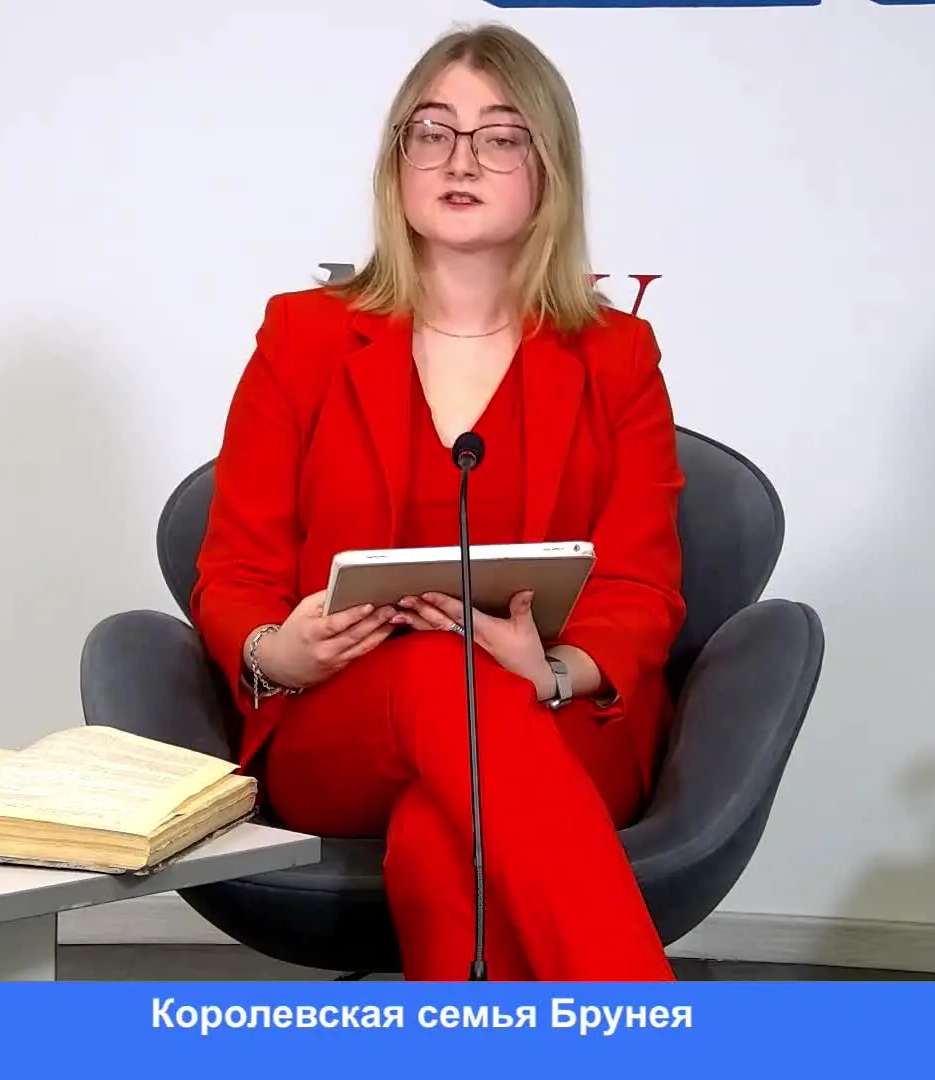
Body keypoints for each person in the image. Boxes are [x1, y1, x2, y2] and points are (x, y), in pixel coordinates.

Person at [191, 22, 685, 982]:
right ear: (398, 159)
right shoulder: (302, 337)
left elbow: (641, 584)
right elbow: (235, 568)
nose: (461, 160)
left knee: (438, 833)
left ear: (547, 168)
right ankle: (645, 1020)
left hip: (553, 717)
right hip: (344, 722)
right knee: (436, 673)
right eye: (433, 132)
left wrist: (552, 669)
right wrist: (276, 652)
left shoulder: (616, 356)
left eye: (499, 137)